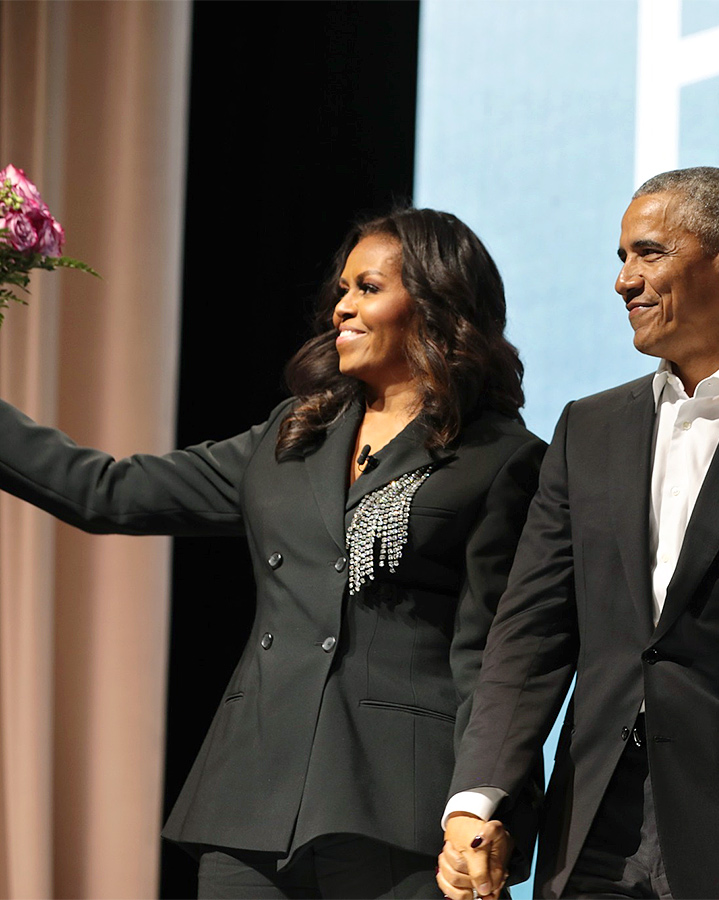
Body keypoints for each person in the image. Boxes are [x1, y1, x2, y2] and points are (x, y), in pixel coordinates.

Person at [0, 207, 546, 899]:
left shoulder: (499, 459)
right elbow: (108, 492)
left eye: (369, 288)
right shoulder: (294, 436)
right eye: (342, 290)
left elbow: (498, 659)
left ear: (437, 304)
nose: (342, 306)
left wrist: (485, 807)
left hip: (399, 810)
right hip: (252, 804)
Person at [438, 168, 719, 900]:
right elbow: (529, 635)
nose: (625, 281)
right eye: (620, 259)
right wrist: (476, 798)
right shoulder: (586, 429)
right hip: (590, 840)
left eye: (647, 253)